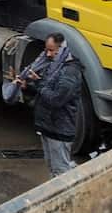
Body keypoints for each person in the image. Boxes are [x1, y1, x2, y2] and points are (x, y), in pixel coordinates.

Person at [13, 33, 81, 177]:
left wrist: (38, 83)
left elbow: (56, 99)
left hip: (59, 130)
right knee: (52, 168)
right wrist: (29, 84)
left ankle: (67, 197)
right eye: (46, 50)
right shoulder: (53, 67)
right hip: (48, 127)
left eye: (51, 50)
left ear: (61, 48)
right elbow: (44, 92)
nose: (48, 54)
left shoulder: (70, 72)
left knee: (60, 171)